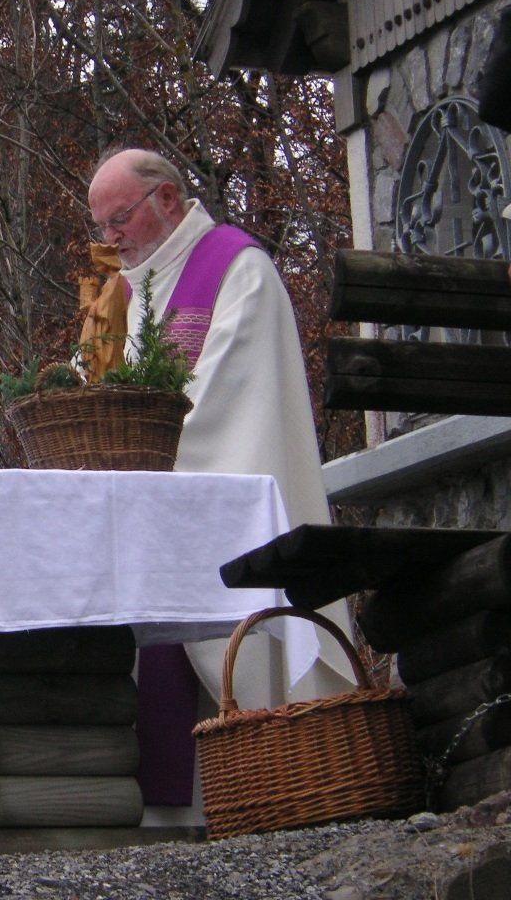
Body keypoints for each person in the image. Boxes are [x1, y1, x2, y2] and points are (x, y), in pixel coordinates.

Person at [86, 148, 356, 817]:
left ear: (166, 199)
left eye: (119, 219)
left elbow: (231, 407)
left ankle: (271, 794)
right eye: (101, 226)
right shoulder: (123, 295)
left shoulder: (238, 269)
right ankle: (172, 815)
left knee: (235, 655)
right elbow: (94, 387)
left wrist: (138, 461)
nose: (110, 239)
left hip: (218, 512)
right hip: (148, 510)